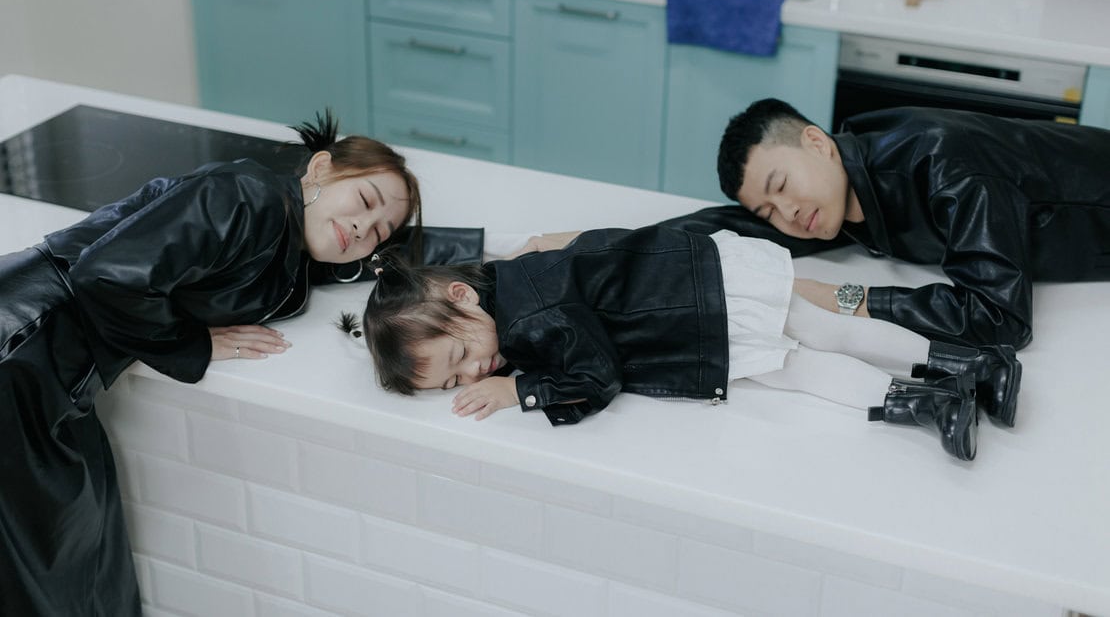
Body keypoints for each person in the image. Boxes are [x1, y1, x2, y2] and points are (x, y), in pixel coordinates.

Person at [0, 112, 458, 615]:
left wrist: (490, 252)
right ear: (320, 169)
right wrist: (194, 346)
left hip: (49, 371)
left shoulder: (294, 237)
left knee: (81, 563)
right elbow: (105, 275)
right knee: (44, 573)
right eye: (365, 201)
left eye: (379, 231)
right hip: (22, 341)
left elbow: (374, 256)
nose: (363, 228)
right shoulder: (245, 195)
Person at [354, 225, 1022, 464]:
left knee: (816, 345)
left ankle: (958, 382)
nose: (476, 372)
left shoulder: (531, 317)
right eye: (455, 382)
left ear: (463, 299)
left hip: (698, 305)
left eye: (461, 359)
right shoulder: (513, 289)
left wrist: (520, 391)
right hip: (693, 290)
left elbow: (596, 376)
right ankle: (954, 383)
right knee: (810, 351)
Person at [655, 98, 1110, 350]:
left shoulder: (945, 163)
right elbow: (729, 226)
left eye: (781, 185)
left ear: (817, 143)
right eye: (768, 211)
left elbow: (999, 317)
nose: (786, 212)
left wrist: (844, 298)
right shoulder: (836, 183)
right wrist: (622, 247)